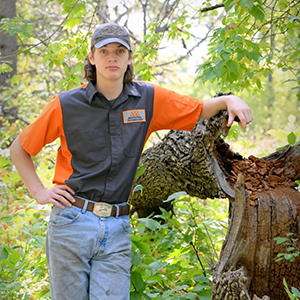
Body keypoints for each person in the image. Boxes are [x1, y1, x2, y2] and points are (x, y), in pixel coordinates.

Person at [9, 23, 253, 300]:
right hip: (71, 222)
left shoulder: (147, 98)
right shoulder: (66, 104)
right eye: (104, 51)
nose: (112, 57)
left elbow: (197, 109)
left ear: (129, 57)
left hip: (117, 225)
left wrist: (230, 99)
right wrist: (39, 192)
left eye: (119, 50)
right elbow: (20, 149)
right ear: (92, 57)